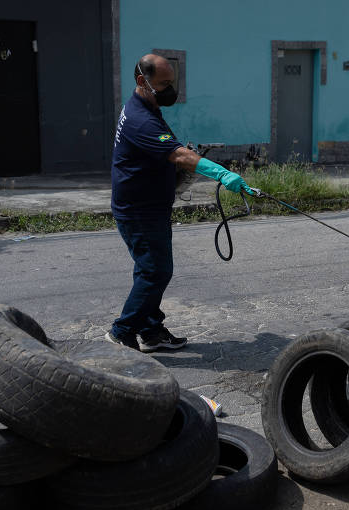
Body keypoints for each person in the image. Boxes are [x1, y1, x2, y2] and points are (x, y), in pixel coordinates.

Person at [106, 54, 253, 353]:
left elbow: (164, 150)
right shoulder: (139, 118)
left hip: (149, 205)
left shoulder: (146, 105)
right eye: (163, 84)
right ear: (141, 81)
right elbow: (177, 155)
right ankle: (121, 333)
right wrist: (220, 173)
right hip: (139, 210)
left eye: (171, 82)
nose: (170, 89)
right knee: (155, 272)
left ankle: (149, 331)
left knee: (149, 270)